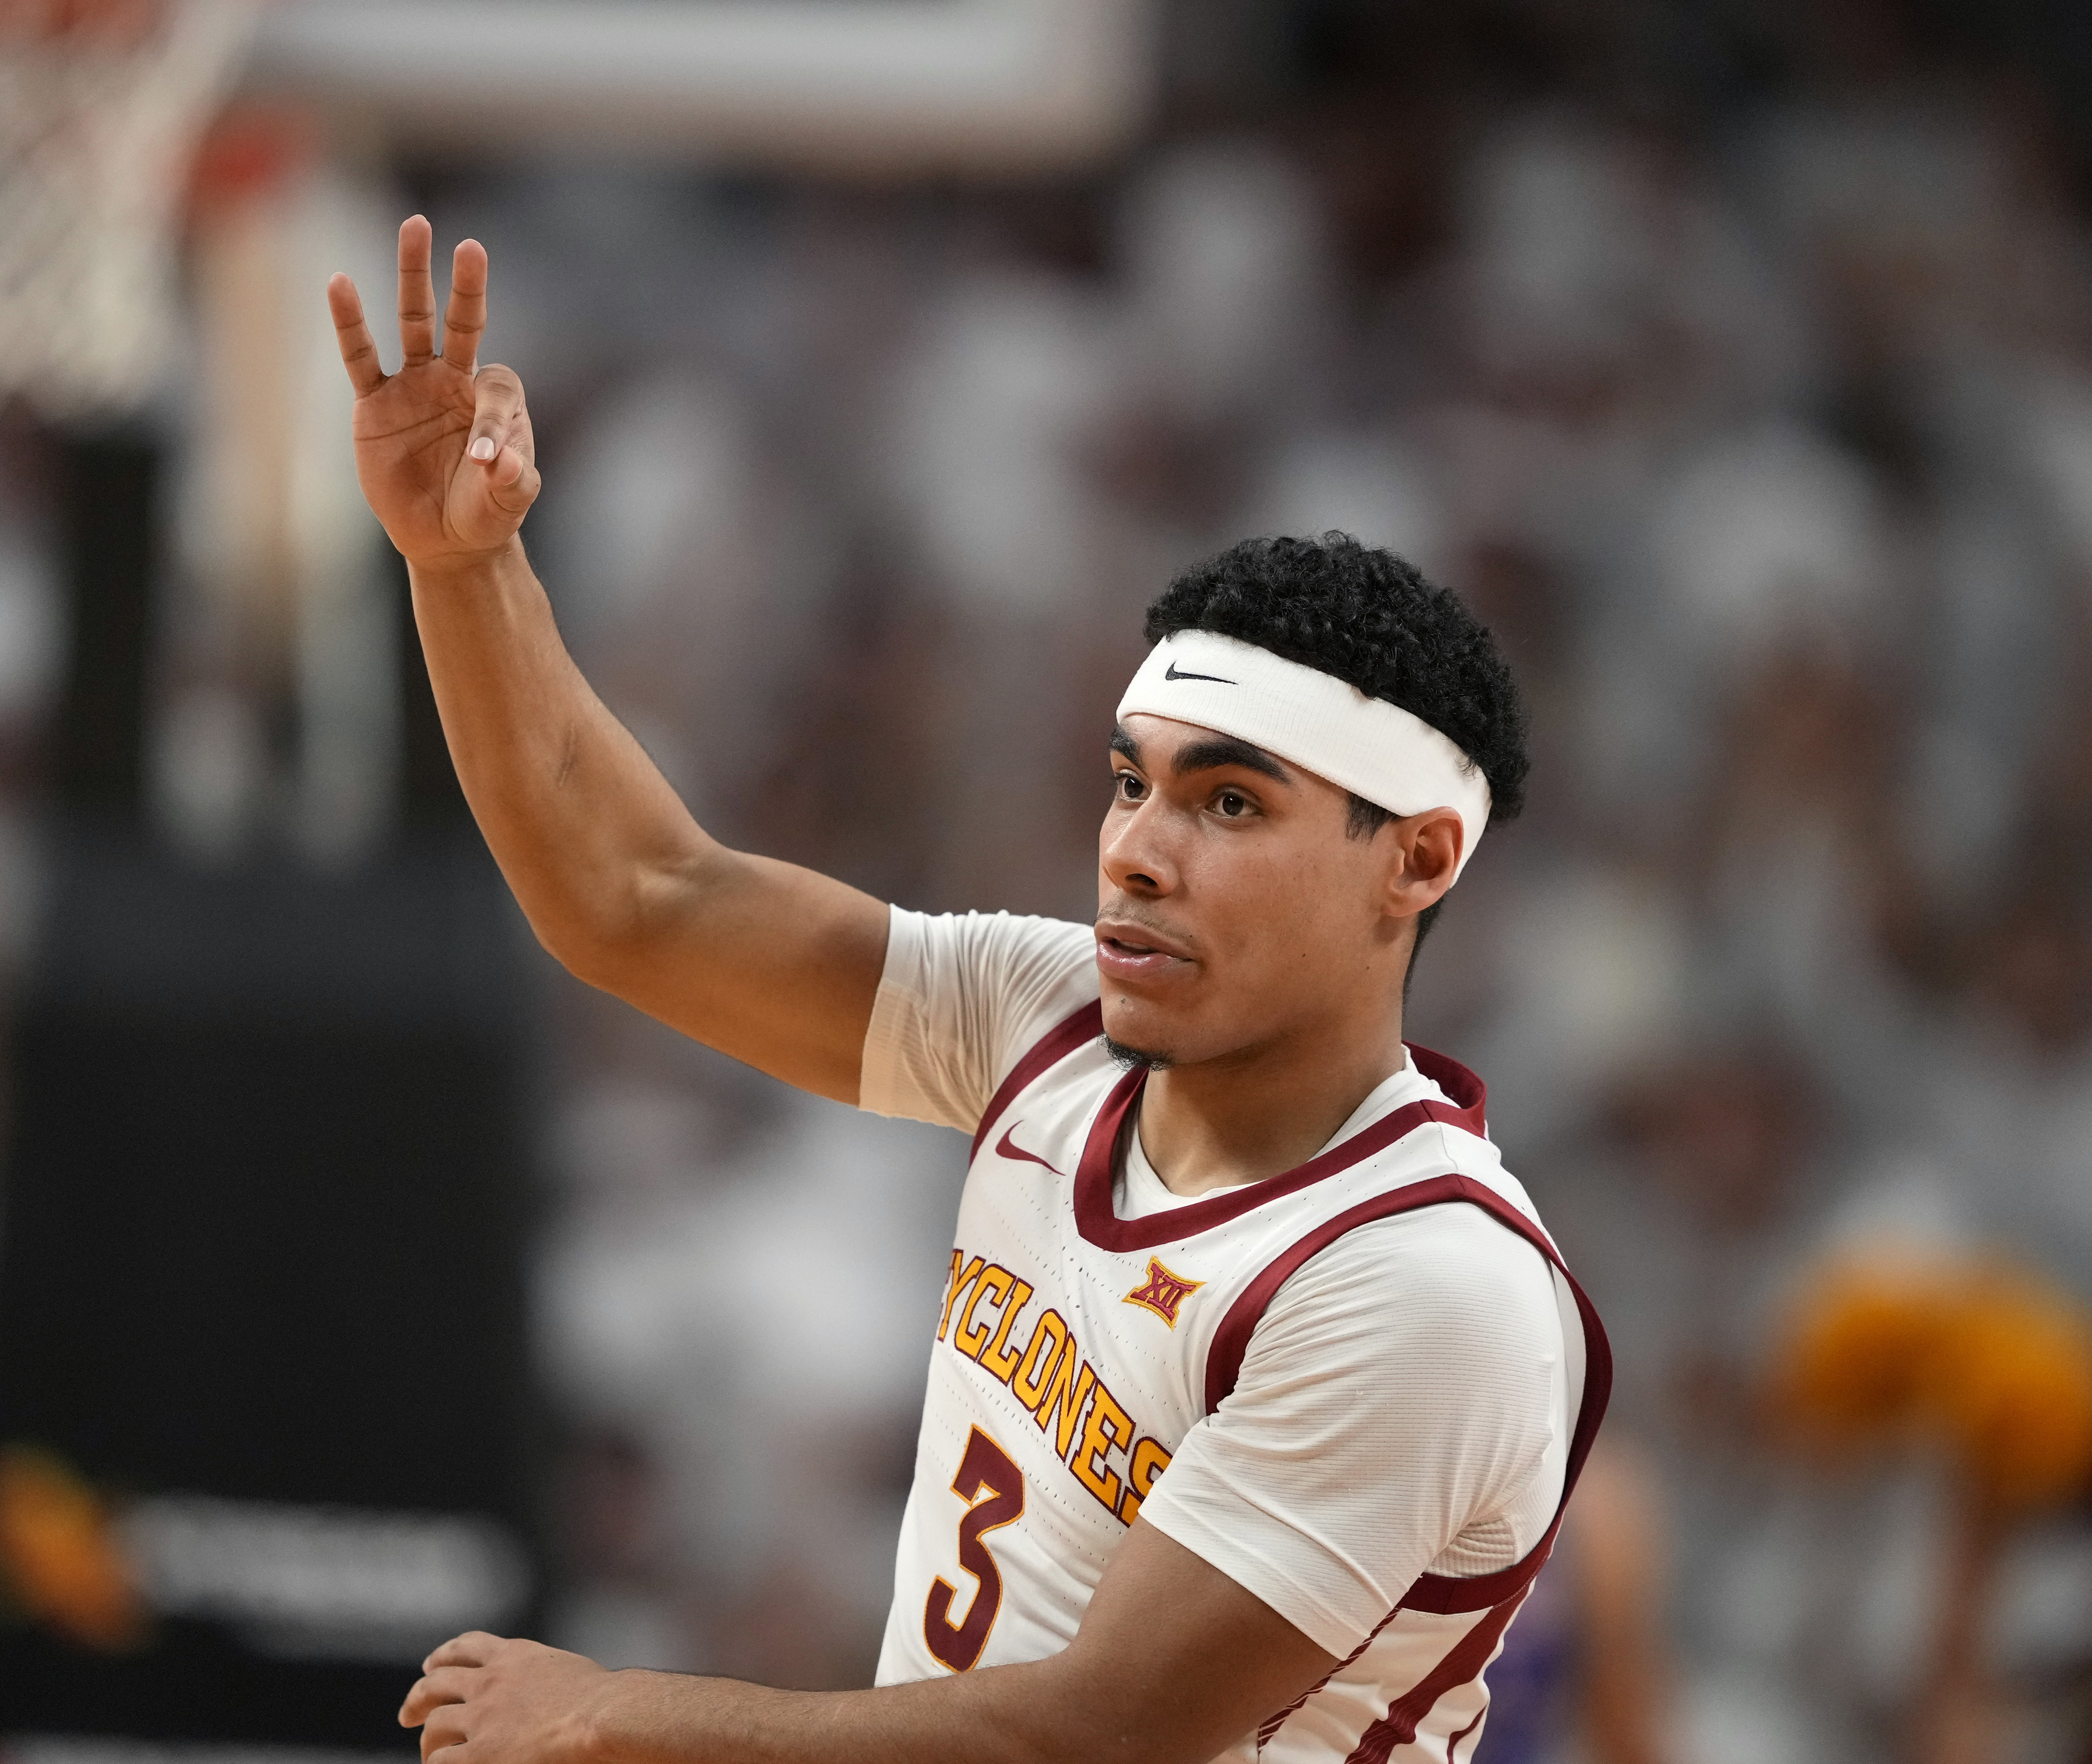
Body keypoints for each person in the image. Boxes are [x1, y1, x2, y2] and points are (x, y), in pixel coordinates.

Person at [331, 217, 1609, 1764]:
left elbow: (1093, 1737)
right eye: (1130, 785)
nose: (1137, 851)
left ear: (1410, 863)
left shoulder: (1423, 1284)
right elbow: (637, 901)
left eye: (1228, 806)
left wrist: (617, 1716)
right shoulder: (1051, 1014)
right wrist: (464, 567)